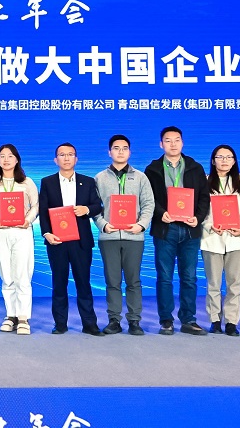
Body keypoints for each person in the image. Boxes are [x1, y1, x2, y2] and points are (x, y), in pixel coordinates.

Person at [143, 126, 209, 336]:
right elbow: (148, 198)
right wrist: (160, 213)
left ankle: (188, 319)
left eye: (177, 140)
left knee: (189, 277)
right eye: (168, 140)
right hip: (165, 229)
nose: (173, 144)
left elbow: (204, 197)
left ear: (182, 142)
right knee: (164, 277)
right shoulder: (152, 169)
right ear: (161, 144)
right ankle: (166, 320)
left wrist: (198, 218)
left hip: (190, 230)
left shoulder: (195, 167)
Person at [39, 142, 104, 335]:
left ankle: (89, 324)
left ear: (76, 158)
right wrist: (46, 233)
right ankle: (60, 323)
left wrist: (87, 209)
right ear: (55, 160)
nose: (66, 158)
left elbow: (98, 205)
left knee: (83, 283)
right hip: (57, 240)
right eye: (62, 154)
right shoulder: (47, 182)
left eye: (70, 154)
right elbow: (43, 211)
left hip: (81, 241)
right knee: (59, 283)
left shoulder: (88, 181)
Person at [95, 134, 153, 335]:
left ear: (130, 152)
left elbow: (148, 204)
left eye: (124, 148)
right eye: (116, 148)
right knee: (112, 281)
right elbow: (94, 206)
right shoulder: (99, 178)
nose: (120, 152)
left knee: (133, 280)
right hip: (109, 237)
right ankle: (114, 320)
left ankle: (134, 320)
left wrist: (141, 225)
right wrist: (103, 225)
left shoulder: (140, 177)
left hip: (134, 237)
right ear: (109, 152)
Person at [0, 144, 39, 334]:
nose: (6, 159)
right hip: (0, 232)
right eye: (2, 156)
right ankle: (11, 315)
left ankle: (23, 317)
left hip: (22, 231)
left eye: (10, 156)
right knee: (7, 276)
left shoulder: (27, 182)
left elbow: (36, 205)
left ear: (17, 159)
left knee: (22, 275)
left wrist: (28, 220)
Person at [199, 145, 240, 336]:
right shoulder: (205, 181)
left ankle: (231, 321)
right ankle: (214, 319)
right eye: (220, 157)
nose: (224, 161)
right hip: (212, 238)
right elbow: (201, 209)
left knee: (234, 283)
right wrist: (209, 225)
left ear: (234, 160)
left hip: (236, 239)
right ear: (213, 161)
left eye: (229, 157)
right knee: (213, 283)